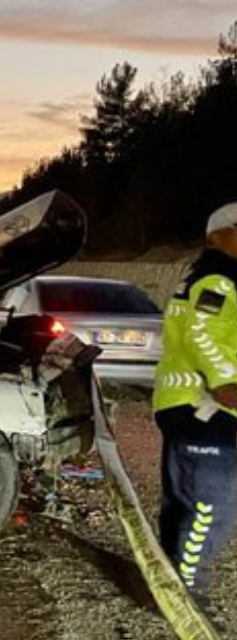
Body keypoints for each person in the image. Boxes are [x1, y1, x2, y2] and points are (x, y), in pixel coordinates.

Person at [154, 201, 237, 605]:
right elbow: (203, 333)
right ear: (218, 236)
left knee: (183, 505)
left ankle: (165, 583)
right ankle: (185, 595)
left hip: (188, 408)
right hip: (204, 407)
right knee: (212, 506)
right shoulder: (217, 281)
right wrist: (226, 383)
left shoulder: (205, 277)